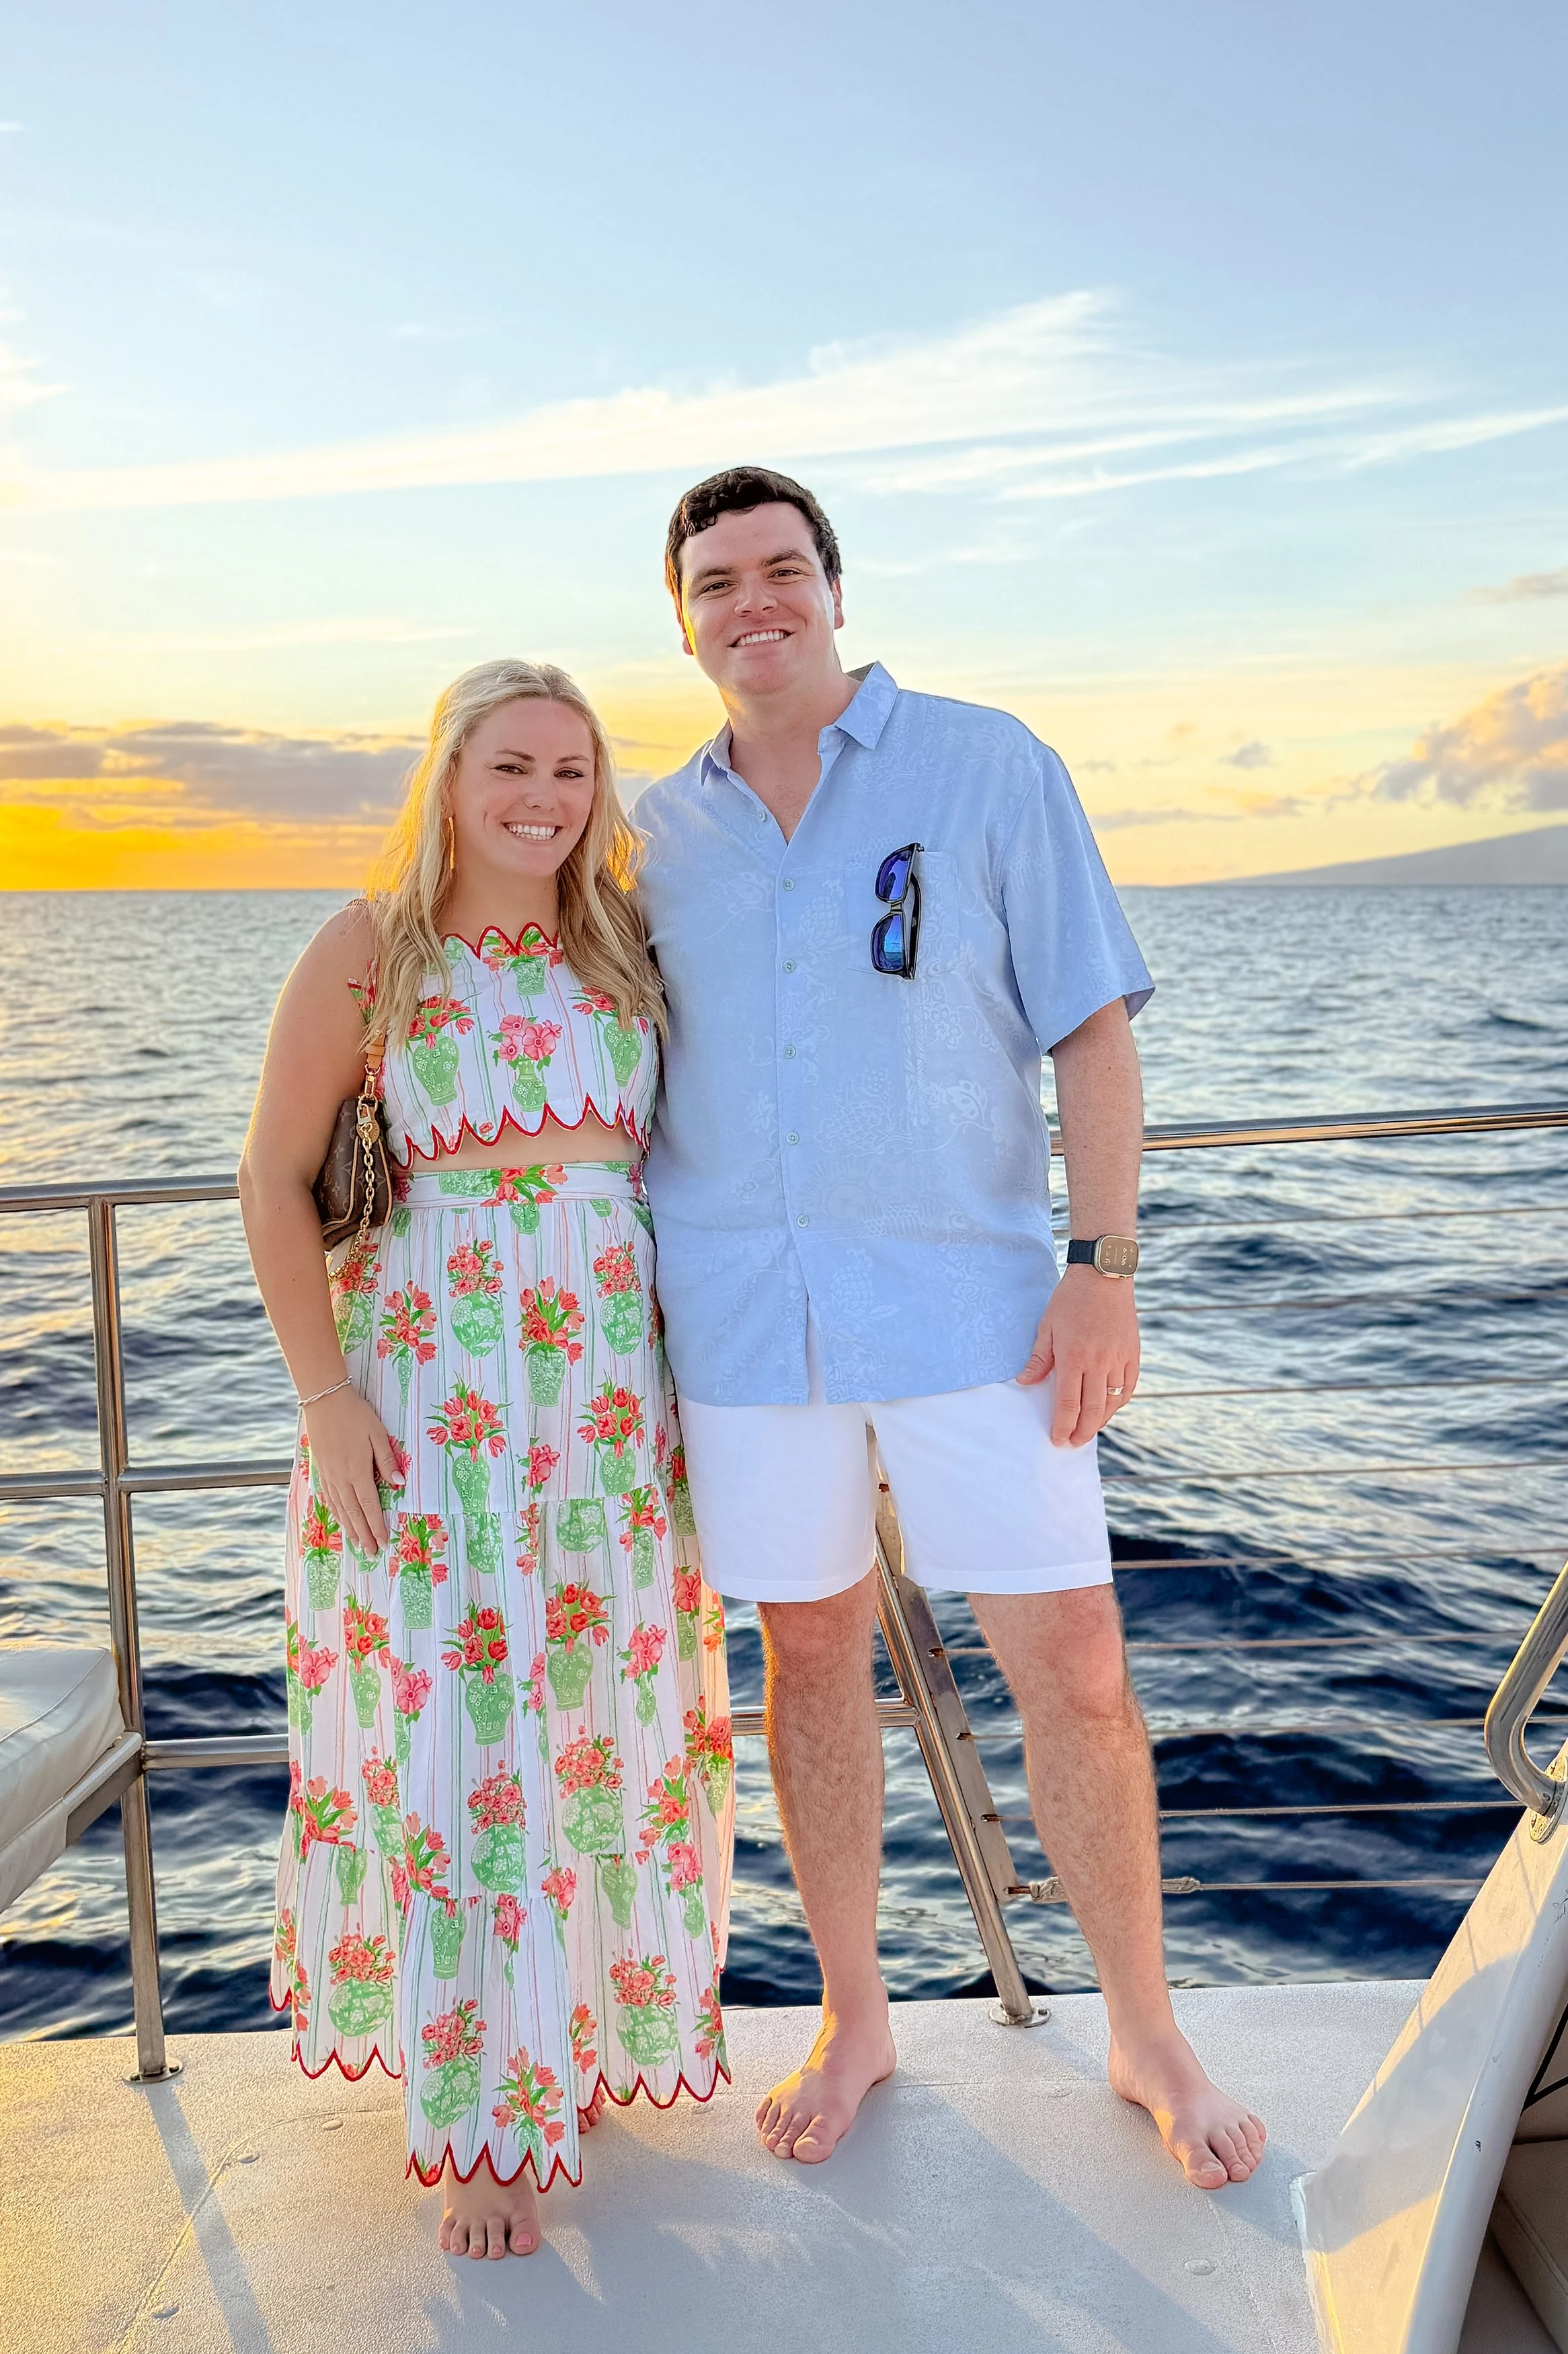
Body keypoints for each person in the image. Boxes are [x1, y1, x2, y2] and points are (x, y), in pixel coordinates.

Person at [635, 466, 1265, 2193]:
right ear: (682, 624)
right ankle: (855, 2019)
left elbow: (1092, 1032)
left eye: (780, 568)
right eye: (715, 582)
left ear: (834, 588)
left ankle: (1143, 2029)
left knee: (1075, 1664)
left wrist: (1102, 1264)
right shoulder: (648, 835)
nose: (753, 601)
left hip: (978, 1317)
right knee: (805, 1661)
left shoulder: (986, 766)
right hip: (744, 1331)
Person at [239, 658, 733, 2261]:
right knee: (462, 1735)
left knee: (593, 1726)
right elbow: (270, 1177)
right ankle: (477, 2127)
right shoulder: (369, 949)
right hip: (431, 1394)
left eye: (570, 771)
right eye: (510, 766)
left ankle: (565, 2045)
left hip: (608, 1404)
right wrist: (325, 1399)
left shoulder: (623, 945)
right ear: (448, 779)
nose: (541, 798)